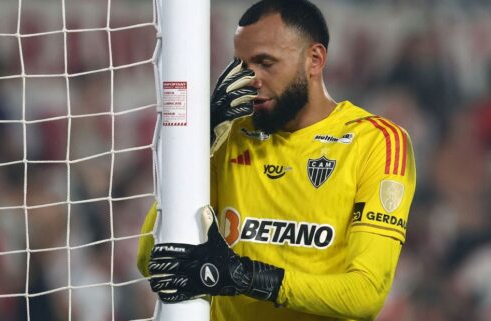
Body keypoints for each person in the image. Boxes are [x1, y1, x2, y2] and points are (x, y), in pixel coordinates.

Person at [137, 0, 416, 320]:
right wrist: (198, 144)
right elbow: (154, 260)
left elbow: (365, 294)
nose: (249, 79)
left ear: (314, 59)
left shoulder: (376, 142)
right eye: (241, 66)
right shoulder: (227, 137)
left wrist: (248, 277)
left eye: (265, 63)